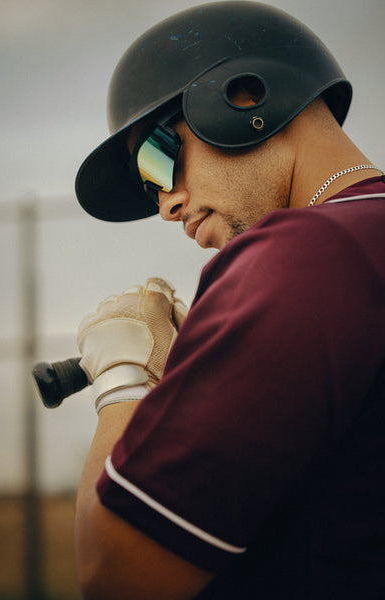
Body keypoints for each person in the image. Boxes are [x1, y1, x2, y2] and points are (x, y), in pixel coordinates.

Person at [73, 2, 385, 599]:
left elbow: (116, 573)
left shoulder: (305, 254)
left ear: (246, 95)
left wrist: (124, 376)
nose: (165, 204)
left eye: (157, 159)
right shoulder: (355, 249)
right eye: (149, 184)